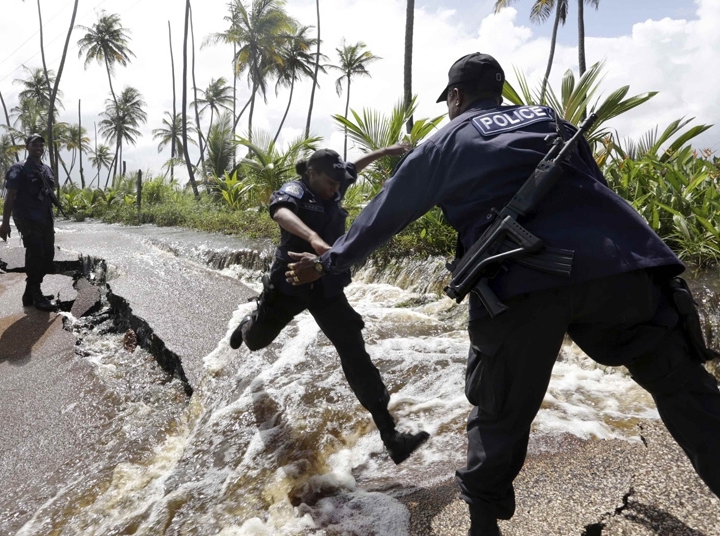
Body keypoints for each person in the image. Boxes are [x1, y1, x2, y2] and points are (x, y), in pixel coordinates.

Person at [286, 53, 720, 536]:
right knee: (688, 391)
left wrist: (327, 262)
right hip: (624, 265)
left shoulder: (446, 140)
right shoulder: (551, 120)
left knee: (499, 413)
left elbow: (384, 215)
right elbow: (593, 186)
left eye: (449, 100)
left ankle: (482, 527)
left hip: (520, 282)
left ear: (455, 96)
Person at [228, 145, 431, 465]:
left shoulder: (335, 181)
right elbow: (280, 211)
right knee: (257, 341)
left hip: (325, 286)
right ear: (311, 174)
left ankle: (391, 436)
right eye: (329, 181)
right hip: (290, 284)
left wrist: (390, 150)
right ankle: (247, 326)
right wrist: (313, 239)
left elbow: (355, 166)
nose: (335, 186)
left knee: (354, 350)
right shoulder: (297, 189)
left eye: (338, 181)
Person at [0, 134, 58, 312]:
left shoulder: (47, 169)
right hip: (27, 218)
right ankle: (37, 294)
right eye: (34, 145)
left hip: (45, 218)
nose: (38, 148)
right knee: (36, 254)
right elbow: (10, 196)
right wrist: (5, 223)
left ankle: (29, 293)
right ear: (27, 147)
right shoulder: (18, 168)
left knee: (48, 255)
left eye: (41, 145)